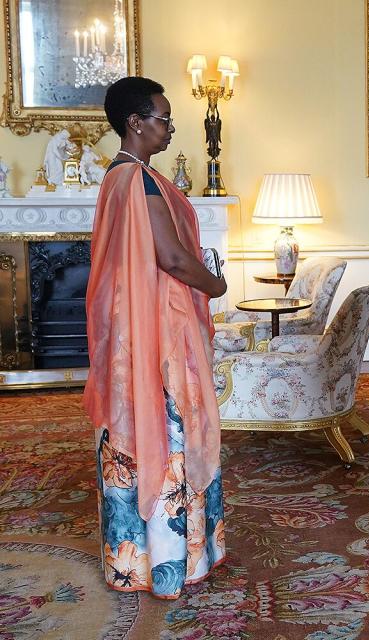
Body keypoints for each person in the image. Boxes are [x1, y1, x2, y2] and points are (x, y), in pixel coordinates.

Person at [84, 76, 228, 599]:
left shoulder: (116, 178)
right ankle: (172, 565)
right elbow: (170, 258)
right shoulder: (138, 181)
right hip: (158, 338)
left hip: (132, 331)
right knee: (167, 433)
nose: (170, 128)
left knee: (133, 431)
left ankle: (134, 563)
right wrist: (214, 284)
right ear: (135, 122)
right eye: (164, 119)